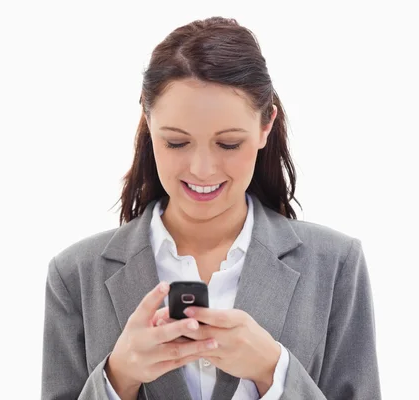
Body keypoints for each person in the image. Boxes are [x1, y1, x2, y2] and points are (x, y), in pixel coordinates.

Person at [40, 16, 381, 400]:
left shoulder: (336, 265)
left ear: (265, 125)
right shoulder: (74, 276)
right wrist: (116, 379)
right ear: (148, 124)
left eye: (229, 144)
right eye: (176, 143)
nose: (202, 170)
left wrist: (275, 371)